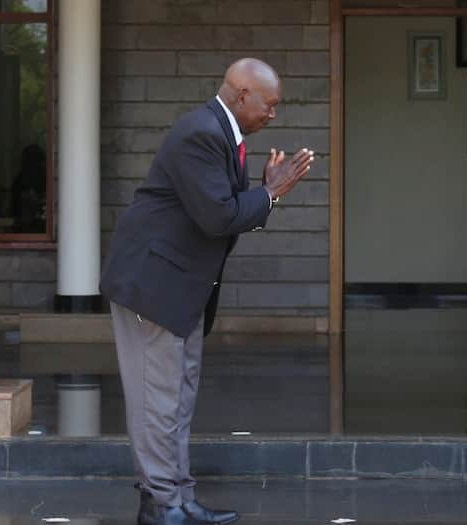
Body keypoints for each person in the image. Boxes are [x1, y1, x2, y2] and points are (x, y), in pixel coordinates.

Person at [100, 58, 314, 525]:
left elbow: (225, 214)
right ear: (241, 96)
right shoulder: (201, 134)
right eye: (270, 105)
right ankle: (162, 503)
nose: (274, 114)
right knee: (157, 399)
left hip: (183, 289)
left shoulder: (222, 135)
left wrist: (262, 194)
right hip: (152, 285)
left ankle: (176, 497)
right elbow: (217, 217)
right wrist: (271, 194)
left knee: (177, 396)